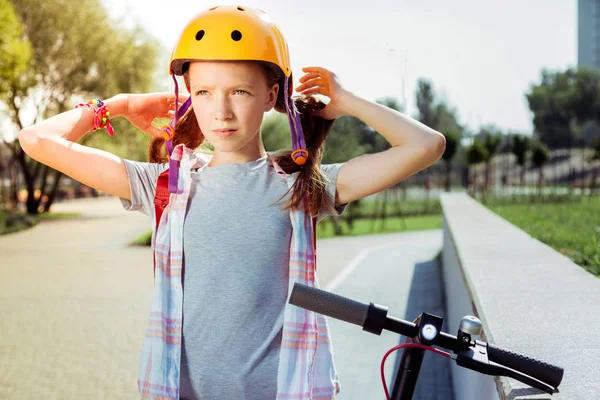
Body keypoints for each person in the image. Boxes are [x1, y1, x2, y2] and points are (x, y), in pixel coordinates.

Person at [17, 5, 446, 399]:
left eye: (239, 92)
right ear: (187, 94)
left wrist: (347, 102)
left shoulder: (301, 186)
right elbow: (35, 140)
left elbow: (426, 145)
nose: (219, 111)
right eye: (203, 92)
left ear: (272, 95)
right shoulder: (164, 184)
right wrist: (120, 105)